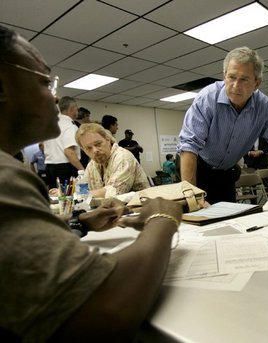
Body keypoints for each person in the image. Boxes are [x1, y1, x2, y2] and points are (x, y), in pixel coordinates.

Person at [0, 25, 183, 341]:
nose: (55, 95)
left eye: (98, 145)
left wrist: (79, 223)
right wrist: (163, 219)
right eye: (45, 82)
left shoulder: (122, 156)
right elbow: (108, 309)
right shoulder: (5, 176)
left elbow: (97, 193)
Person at [177, 46, 268, 204]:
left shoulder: (264, 108)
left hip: (226, 174)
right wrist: (192, 197)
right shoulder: (207, 99)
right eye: (231, 77)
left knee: (226, 222)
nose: (236, 86)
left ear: (257, 83)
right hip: (197, 168)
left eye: (244, 79)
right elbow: (189, 145)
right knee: (194, 220)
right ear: (224, 76)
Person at [76, 123, 150, 198]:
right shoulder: (92, 164)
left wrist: (81, 196)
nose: (95, 150)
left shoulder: (123, 157)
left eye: (98, 144)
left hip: (140, 207)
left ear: (108, 140)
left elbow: (114, 192)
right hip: (110, 208)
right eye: (89, 148)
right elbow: (82, 189)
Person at [44, 96, 84, 188]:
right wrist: (82, 170)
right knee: (67, 198)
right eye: (76, 109)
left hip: (49, 167)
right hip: (65, 168)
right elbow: (69, 152)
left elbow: (42, 146)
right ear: (72, 109)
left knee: (54, 196)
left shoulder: (51, 124)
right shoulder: (70, 126)